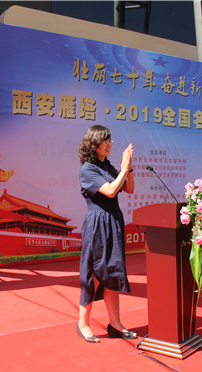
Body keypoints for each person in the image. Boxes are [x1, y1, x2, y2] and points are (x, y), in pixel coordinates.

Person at [76, 125, 136, 343]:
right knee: (93, 273)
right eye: (106, 141)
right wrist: (123, 169)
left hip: (113, 222)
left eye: (110, 140)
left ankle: (115, 323)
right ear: (94, 145)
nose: (110, 144)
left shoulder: (107, 166)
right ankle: (83, 323)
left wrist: (128, 169)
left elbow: (129, 189)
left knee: (113, 271)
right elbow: (110, 191)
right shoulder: (88, 169)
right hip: (97, 223)